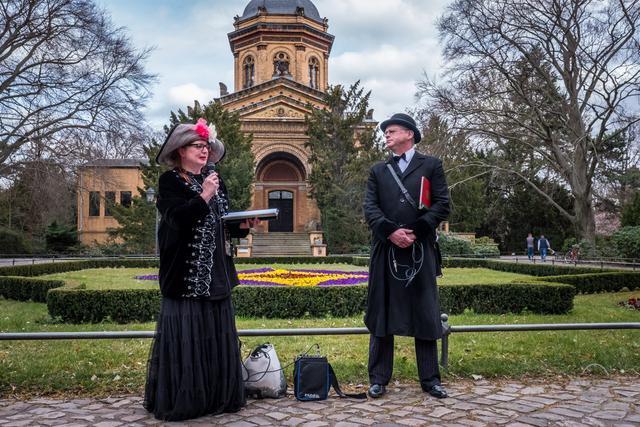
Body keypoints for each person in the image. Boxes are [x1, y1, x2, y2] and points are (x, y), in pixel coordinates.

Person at [144, 118, 256, 421]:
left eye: (206, 146)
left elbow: (223, 224)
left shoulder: (215, 179)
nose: (204, 151)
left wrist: (243, 226)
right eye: (197, 146)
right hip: (185, 275)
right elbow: (177, 219)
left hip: (216, 272)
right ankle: (190, 400)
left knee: (215, 334)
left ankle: (217, 396)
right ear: (181, 150)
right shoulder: (170, 182)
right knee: (189, 337)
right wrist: (204, 195)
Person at [363, 113, 450, 399]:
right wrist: (391, 232)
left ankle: (430, 379)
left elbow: (442, 205)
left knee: (425, 312)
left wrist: (414, 231)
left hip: (419, 248)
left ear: (409, 134)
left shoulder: (432, 165)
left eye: (392, 130)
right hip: (385, 249)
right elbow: (370, 208)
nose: (386, 135)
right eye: (385, 132)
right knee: (381, 313)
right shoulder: (378, 170)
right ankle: (378, 378)